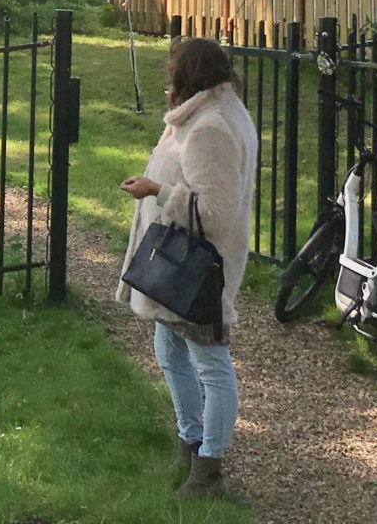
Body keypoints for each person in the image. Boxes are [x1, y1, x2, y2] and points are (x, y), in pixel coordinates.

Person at [117, 37, 258, 500]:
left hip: (196, 272)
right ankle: (191, 440)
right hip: (176, 270)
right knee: (169, 349)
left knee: (211, 366)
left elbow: (213, 212)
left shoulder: (210, 127)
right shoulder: (206, 114)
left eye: (173, 72)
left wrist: (156, 190)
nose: (167, 81)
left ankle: (208, 470)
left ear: (188, 77)